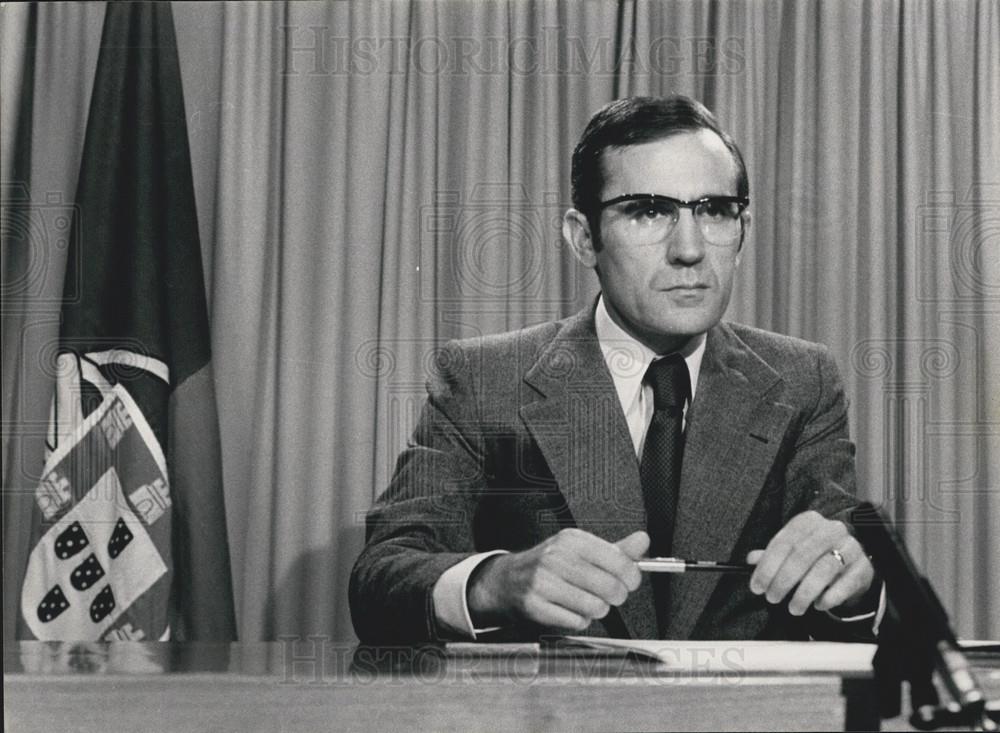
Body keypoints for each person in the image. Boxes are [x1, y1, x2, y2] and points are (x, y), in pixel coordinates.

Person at [350, 95, 881, 644]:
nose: (690, 249)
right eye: (649, 211)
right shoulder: (483, 378)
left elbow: (848, 577)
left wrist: (851, 573)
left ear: (742, 229)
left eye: (714, 210)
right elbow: (379, 579)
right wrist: (494, 582)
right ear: (584, 239)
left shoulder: (803, 380)